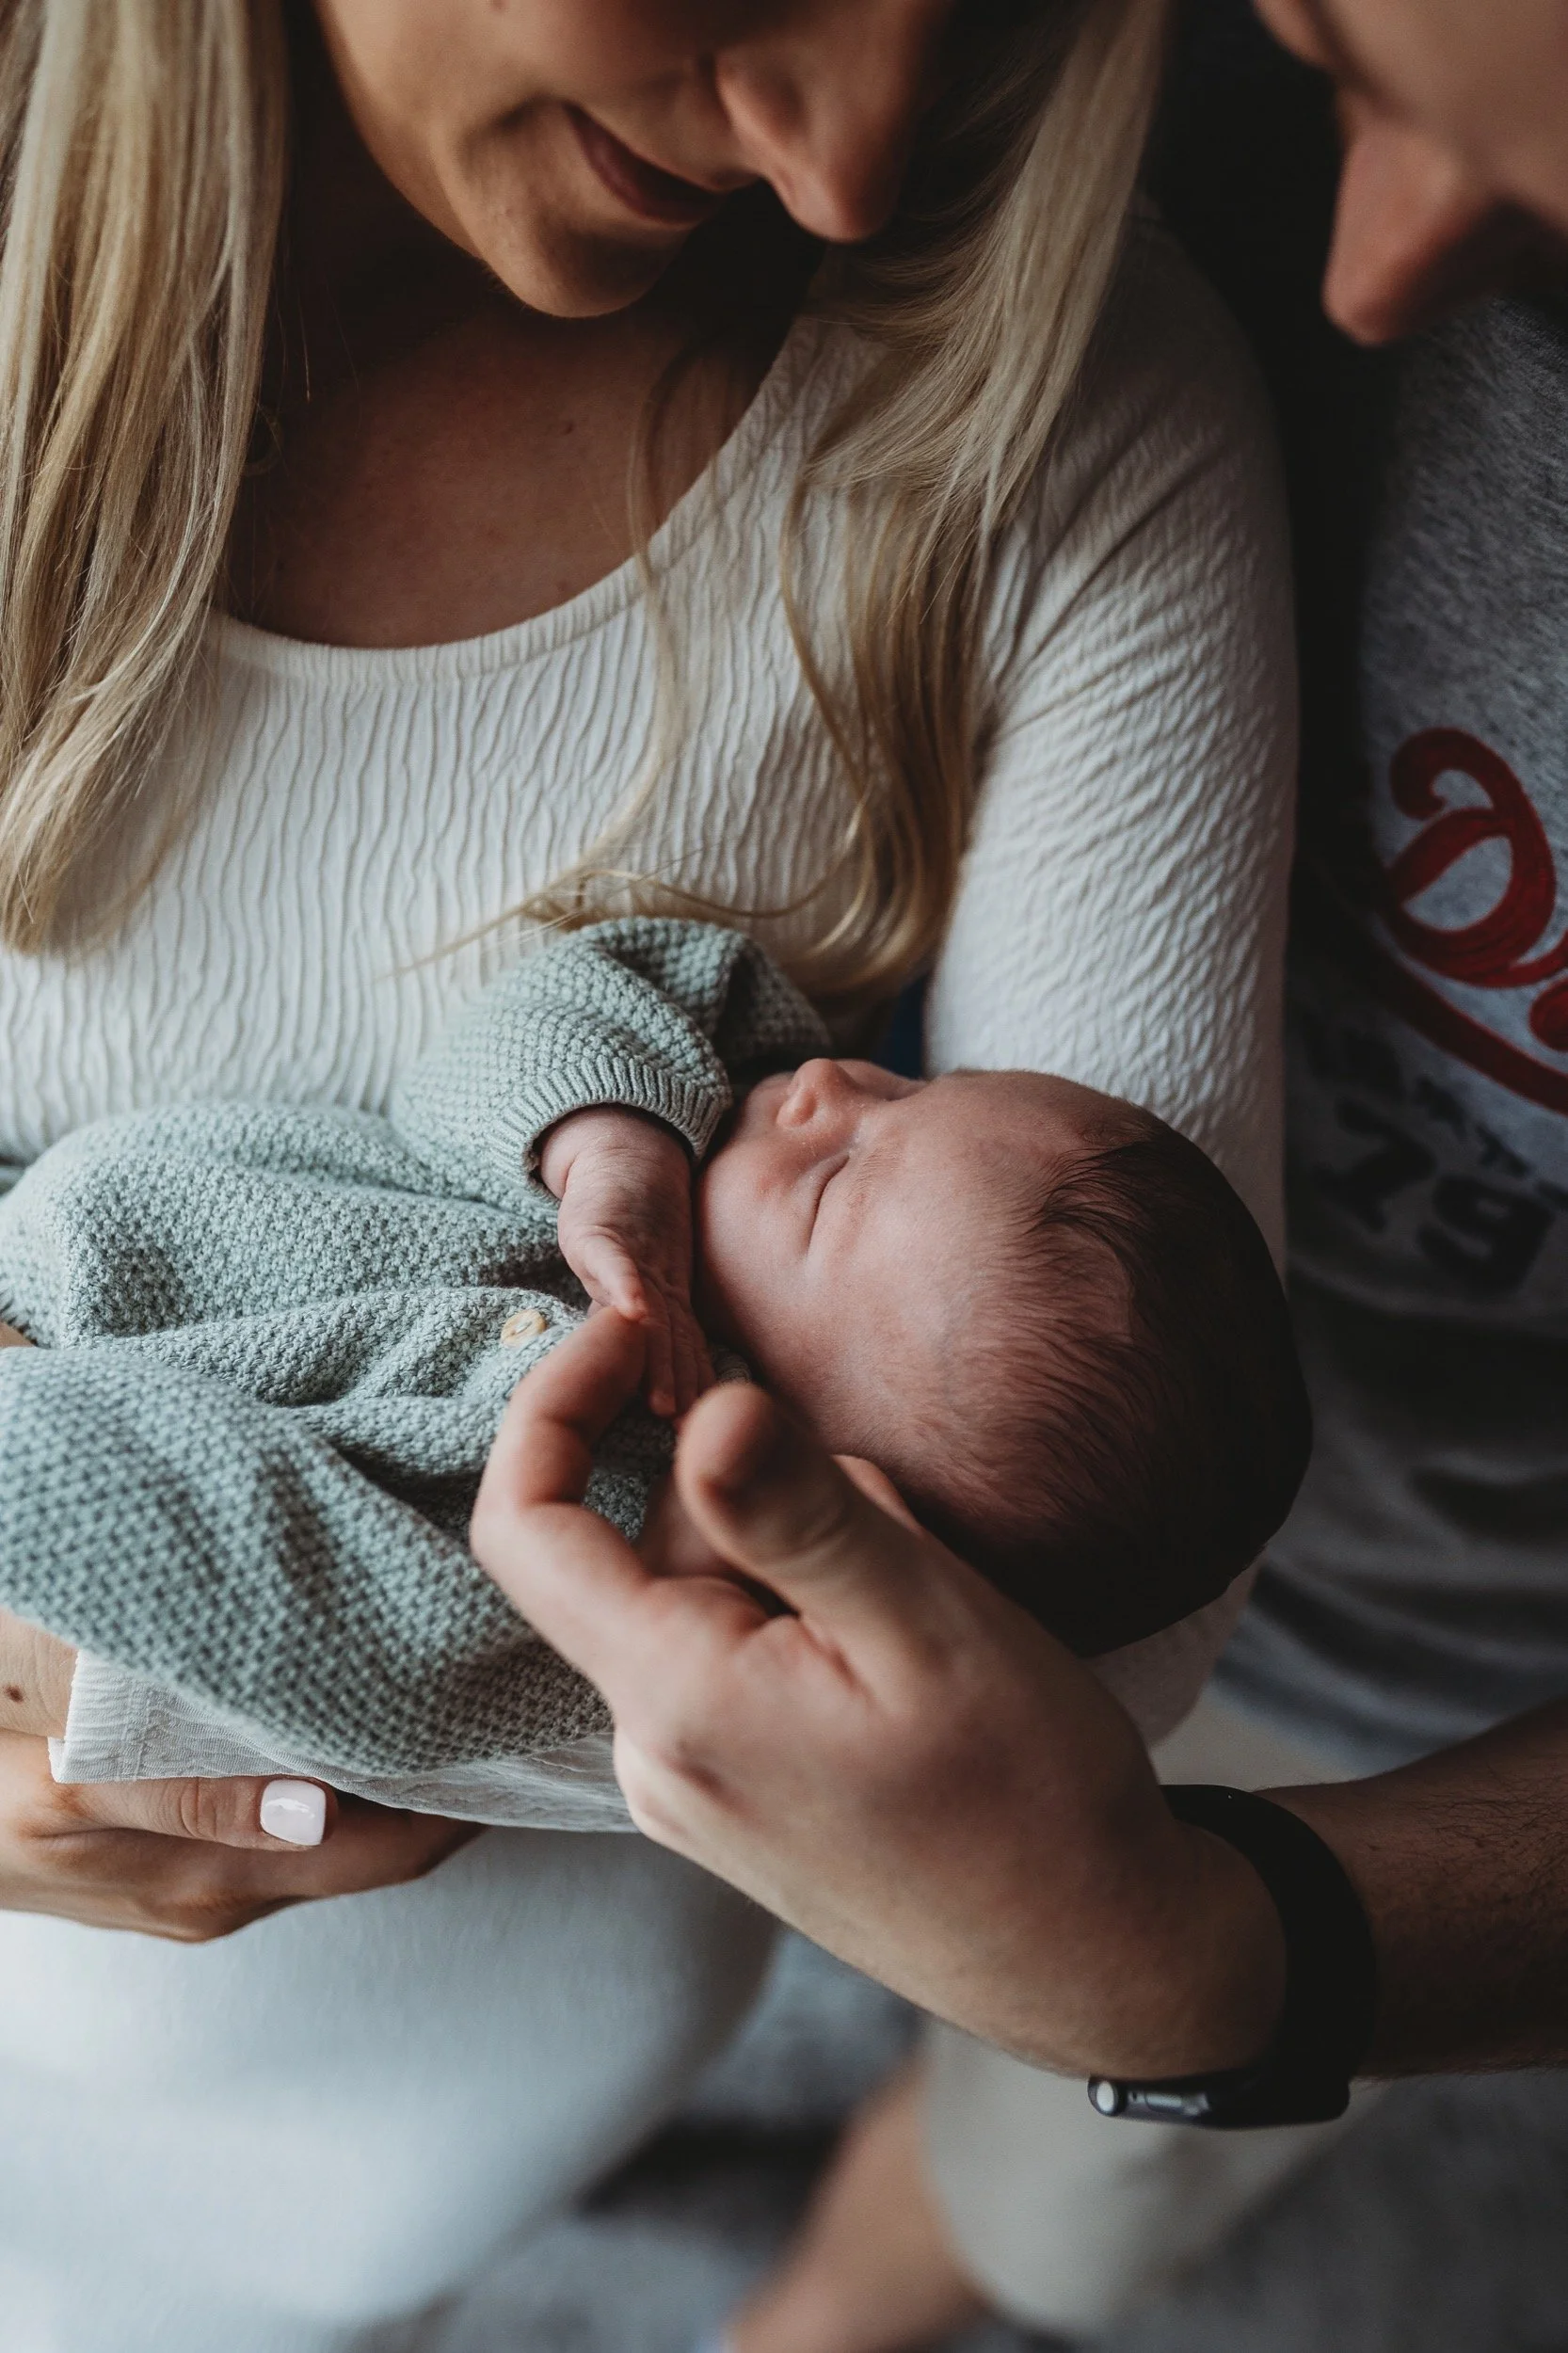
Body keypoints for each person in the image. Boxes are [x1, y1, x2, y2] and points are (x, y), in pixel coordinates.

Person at [0, 2, 1297, 2346]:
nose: (845, 155)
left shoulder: (569, 1480)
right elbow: (628, 998)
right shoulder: (649, 1193)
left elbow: (1086, 1622)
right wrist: (607, 1137)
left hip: (405, 2099)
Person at [470, 3, 1568, 2345]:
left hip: (1416, 1693)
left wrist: (1198, 1960)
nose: (1367, 274)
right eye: (1322, 46)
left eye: (1547, 216)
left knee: (1045, 2185)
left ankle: (835, 2299)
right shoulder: (972, 111)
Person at [0, 917, 1307, 1813]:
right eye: (914, 1086)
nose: (827, 1082)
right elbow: (614, 988)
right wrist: (607, 1142)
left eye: (836, 1179)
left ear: (818, 1488)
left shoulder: (585, 1532)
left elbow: (259, 1567)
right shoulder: (674, 1155)